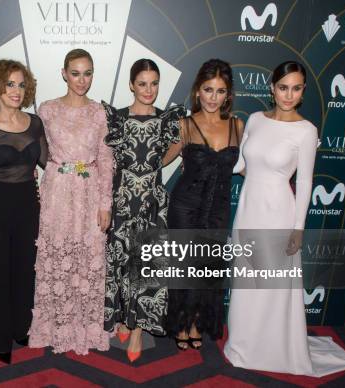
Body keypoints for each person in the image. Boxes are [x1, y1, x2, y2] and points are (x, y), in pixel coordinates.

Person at [223, 61, 345, 376]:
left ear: (303, 91)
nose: (289, 94)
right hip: (248, 208)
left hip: (278, 211)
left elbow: (307, 182)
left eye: (296, 88)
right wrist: (211, 155)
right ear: (272, 88)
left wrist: (298, 228)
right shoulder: (255, 119)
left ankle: (272, 348)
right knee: (246, 280)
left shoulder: (306, 131)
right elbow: (241, 164)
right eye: (283, 87)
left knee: (271, 284)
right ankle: (242, 344)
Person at [27, 49, 113, 356]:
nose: (82, 80)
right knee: (57, 258)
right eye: (75, 73)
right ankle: (54, 329)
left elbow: (105, 158)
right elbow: (37, 152)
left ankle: (85, 330)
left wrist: (106, 203)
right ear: (64, 73)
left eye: (87, 73)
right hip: (57, 193)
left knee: (88, 260)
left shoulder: (100, 112)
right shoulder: (47, 109)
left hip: (89, 194)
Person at [103, 59, 186, 362]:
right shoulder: (117, 118)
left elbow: (176, 146)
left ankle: (137, 330)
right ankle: (124, 318)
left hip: (152, 201)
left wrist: (154, 166)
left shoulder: (167, 119)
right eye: (142, 83)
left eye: (154, 83)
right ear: (131, 85)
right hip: (122, 199)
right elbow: (107, 158)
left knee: (145, 266)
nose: (149, 90)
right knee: (121, 262)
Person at [163, 59, 243, 351]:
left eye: (220, 91)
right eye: (208, 90)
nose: (213, 97)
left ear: (228, 95)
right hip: (186, 206)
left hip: (218, 208)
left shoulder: (237, 125)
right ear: (198, 91)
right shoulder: (185, 125)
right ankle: (181, 324)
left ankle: (197, 323)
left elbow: (250, 165)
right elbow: (161, 160)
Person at [0, 60, 47, 364]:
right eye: (9, 84)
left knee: (25, 271)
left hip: (30, 203)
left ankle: (20, 328)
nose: (16, 91)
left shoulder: (35, 123)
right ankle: (0, 339)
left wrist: (84, 165)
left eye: (21, 84)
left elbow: (50, 162)